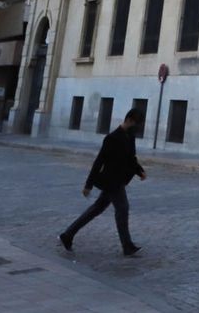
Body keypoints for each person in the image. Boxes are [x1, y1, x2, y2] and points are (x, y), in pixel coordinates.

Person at [59, 107, 147, 256]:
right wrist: (88, 185)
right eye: (136, 124)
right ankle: (127, 246)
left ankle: (68, 235)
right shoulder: (112, 138)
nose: (137, 128)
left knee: (97, 208)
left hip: (119, 180)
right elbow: (98, 162)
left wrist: (140, 171)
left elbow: (131, 158)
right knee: (122, 208)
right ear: (129, 120)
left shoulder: (130, 136)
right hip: (112, 181)